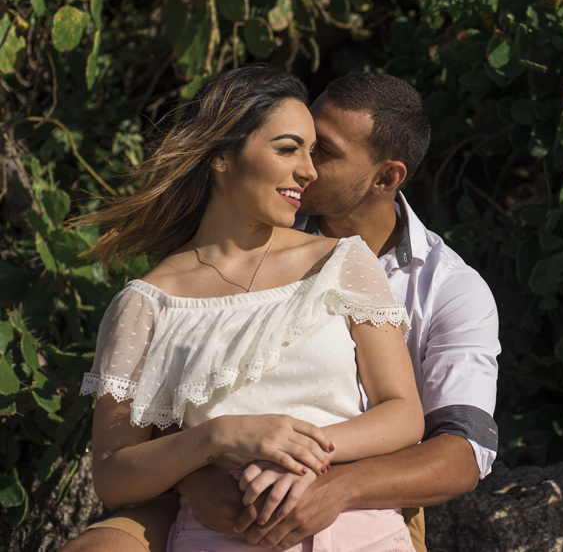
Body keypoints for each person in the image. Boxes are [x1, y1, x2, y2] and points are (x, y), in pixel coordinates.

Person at [62, 72, 500, 552]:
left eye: (320, 152)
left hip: (366, 490)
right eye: (294, 148)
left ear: (386, 177)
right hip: (217, 506)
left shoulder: (421, 280)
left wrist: (316, 470)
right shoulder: (152, 296)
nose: (308, 169)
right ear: (220, 156)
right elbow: (139, 444)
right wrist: (214, 449)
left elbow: (457, 448)